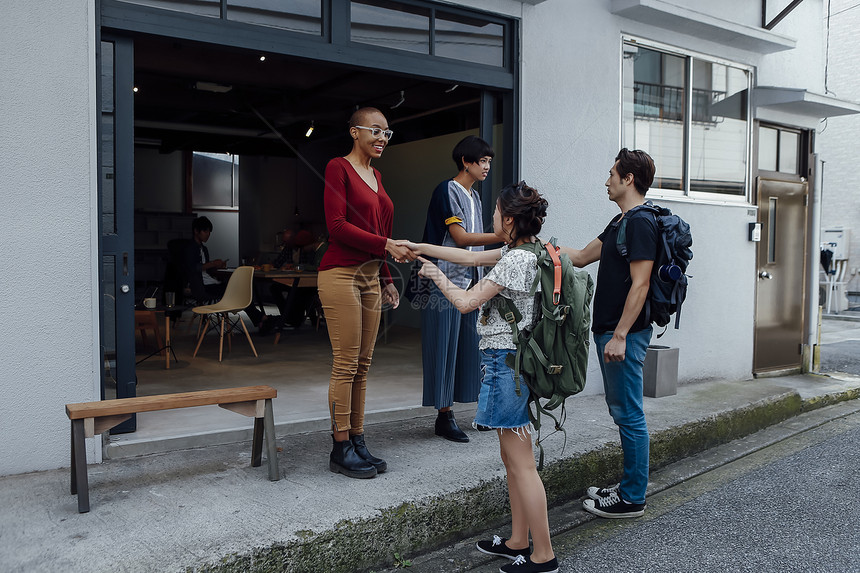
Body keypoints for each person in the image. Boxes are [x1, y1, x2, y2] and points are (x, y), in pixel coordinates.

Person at [409, 181, 558, 573]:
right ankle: (517, 541)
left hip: (506, 365)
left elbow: (465, 302)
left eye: (494, 212)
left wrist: (434, 274)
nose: (491, 217)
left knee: (521, 463)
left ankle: (543, 556)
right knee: (512, 460)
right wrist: (422, 247)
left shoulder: (515, 260)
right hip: (511, 364)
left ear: (508, 219)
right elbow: (468, 257)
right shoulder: (525, 250)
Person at [558, 148, 658, 519]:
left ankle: (632, 498)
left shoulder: (642, 223)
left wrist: (619, 335)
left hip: (623, 337)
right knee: (622, 412)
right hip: (612, 334)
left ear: (628, 178)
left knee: (629, 414)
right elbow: (582, 256)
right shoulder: (621, 223)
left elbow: (641, 284)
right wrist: (537, 246)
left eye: (612, 174)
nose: (606, 180)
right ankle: (629, 486)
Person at [317, 107, 415, 479]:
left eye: (387, 133)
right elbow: (337, 227)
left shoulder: (377, 176)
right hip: (340, 273)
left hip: (371, 276)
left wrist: (387, 277)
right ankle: (340, 446)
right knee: (345, 363)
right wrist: (388, 246)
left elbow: (378, 235)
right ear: (354, 131)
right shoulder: (337, 168)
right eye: (375, 131)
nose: (382, 138)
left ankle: (358, 440)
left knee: (363, 365)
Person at [419, 135, 500, 443]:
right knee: (443, 348)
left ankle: (475, 413)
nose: (487, 167)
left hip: (471, 283)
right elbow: (462, 238)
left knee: (470, 349)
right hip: (444, 280)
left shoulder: (475, 196)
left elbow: (474, 242)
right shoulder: (447, 190)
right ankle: (444, 416)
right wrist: (504, 238)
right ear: (466, 162)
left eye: (489, 162)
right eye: (483, 161)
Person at [186, 216, 264, 326]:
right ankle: (260, 319)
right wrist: (212, 264)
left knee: (238, 290)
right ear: (196, 231)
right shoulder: (190, 248)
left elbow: (205, 269)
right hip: (202, 287)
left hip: (210, 283)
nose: (208, 234)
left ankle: (260, 319)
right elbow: (194, 267)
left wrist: (217, 265)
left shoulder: (204, 249)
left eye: (209, 231)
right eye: (205, 231)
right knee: (238, 292)